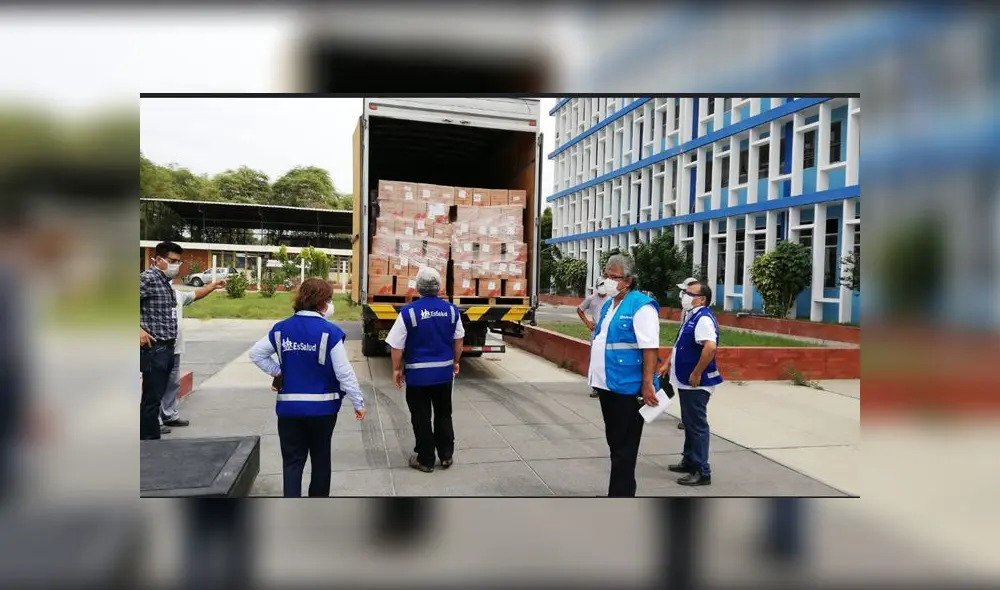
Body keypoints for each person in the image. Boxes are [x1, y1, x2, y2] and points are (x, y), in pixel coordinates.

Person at [248, 278, 367, 497]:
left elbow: (256, 353)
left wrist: (278, 372)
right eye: (329, 299)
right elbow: (344, 372)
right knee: (321, 460)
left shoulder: (281, 328)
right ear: (322, 302)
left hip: (289, 410)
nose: (330, 304)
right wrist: (358, 401)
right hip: (322, 411)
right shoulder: (330, 332)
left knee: (292, 462)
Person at [590, 254, 661, 497]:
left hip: (627, 388)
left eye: (614, 277)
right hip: (608, 385)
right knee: (616, 445)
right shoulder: (611, 305)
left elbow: (650, 347)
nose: (608, 281)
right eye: (607, 276)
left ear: (628, 281)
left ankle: (621, 497)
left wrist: (647, 383)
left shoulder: (641, 306)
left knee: (624, 449)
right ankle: (618, 492)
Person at [386, 267, 464, 473]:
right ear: (439, 288)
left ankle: (426, 459)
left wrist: (396, 369)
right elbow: (459, 341)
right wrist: (456, 361)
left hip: (418, 376)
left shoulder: (408, 312)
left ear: (418, 288)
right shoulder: (451, 311)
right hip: (443, 374)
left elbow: (396, 345)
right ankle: (446, 455)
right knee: (444, 414)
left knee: (420, 416)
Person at [657, 283, 722, 486]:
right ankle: (688, 460)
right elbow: (679, 345)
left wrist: (697, 373)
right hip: (684, 380)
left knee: (697, 426)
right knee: (689, 423)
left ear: (701, 299)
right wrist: (668, 363)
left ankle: (702, 470)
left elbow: (710, 347)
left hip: (696, 383)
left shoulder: (703, 319)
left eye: (688, 293)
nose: (683, 296)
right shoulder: (691, 315)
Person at [160, 279, 227, 429]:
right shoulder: (151, 295)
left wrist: (212, 286)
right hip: (158, 347)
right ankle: (154, 420)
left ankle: (169, 415)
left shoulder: (177, 295)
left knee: (173, 383)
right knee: (157, 384)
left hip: (175, 347)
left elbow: (195, 294)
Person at [140, 241, 185, 440]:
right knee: (152, 397)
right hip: (154, 348)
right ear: (158, 260)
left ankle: (149, 436)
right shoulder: (148, 278)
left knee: (157, 396)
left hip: (167, 347)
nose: (176, 265)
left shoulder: (164, 282)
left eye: (179, 262)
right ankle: (149, 440)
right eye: (172, 261)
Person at [672, 277, 700, 431]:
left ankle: (688, 418)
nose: (683, 295)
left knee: (691, 391)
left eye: (686, 292)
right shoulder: (686, 311)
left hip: (691, 358)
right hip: (680, 353)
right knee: (681, 388)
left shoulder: (700, 315)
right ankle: (686, 416)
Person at [577, 281, 609, 398]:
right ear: (596, 287)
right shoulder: (591, 299)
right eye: (600, 285)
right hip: (596, 331)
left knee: (607, 358)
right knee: (595, 358)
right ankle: (596, 387)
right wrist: (588, 323)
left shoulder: (611, 298)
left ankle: (606, 386)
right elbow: (580, 310)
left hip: (608, 331)